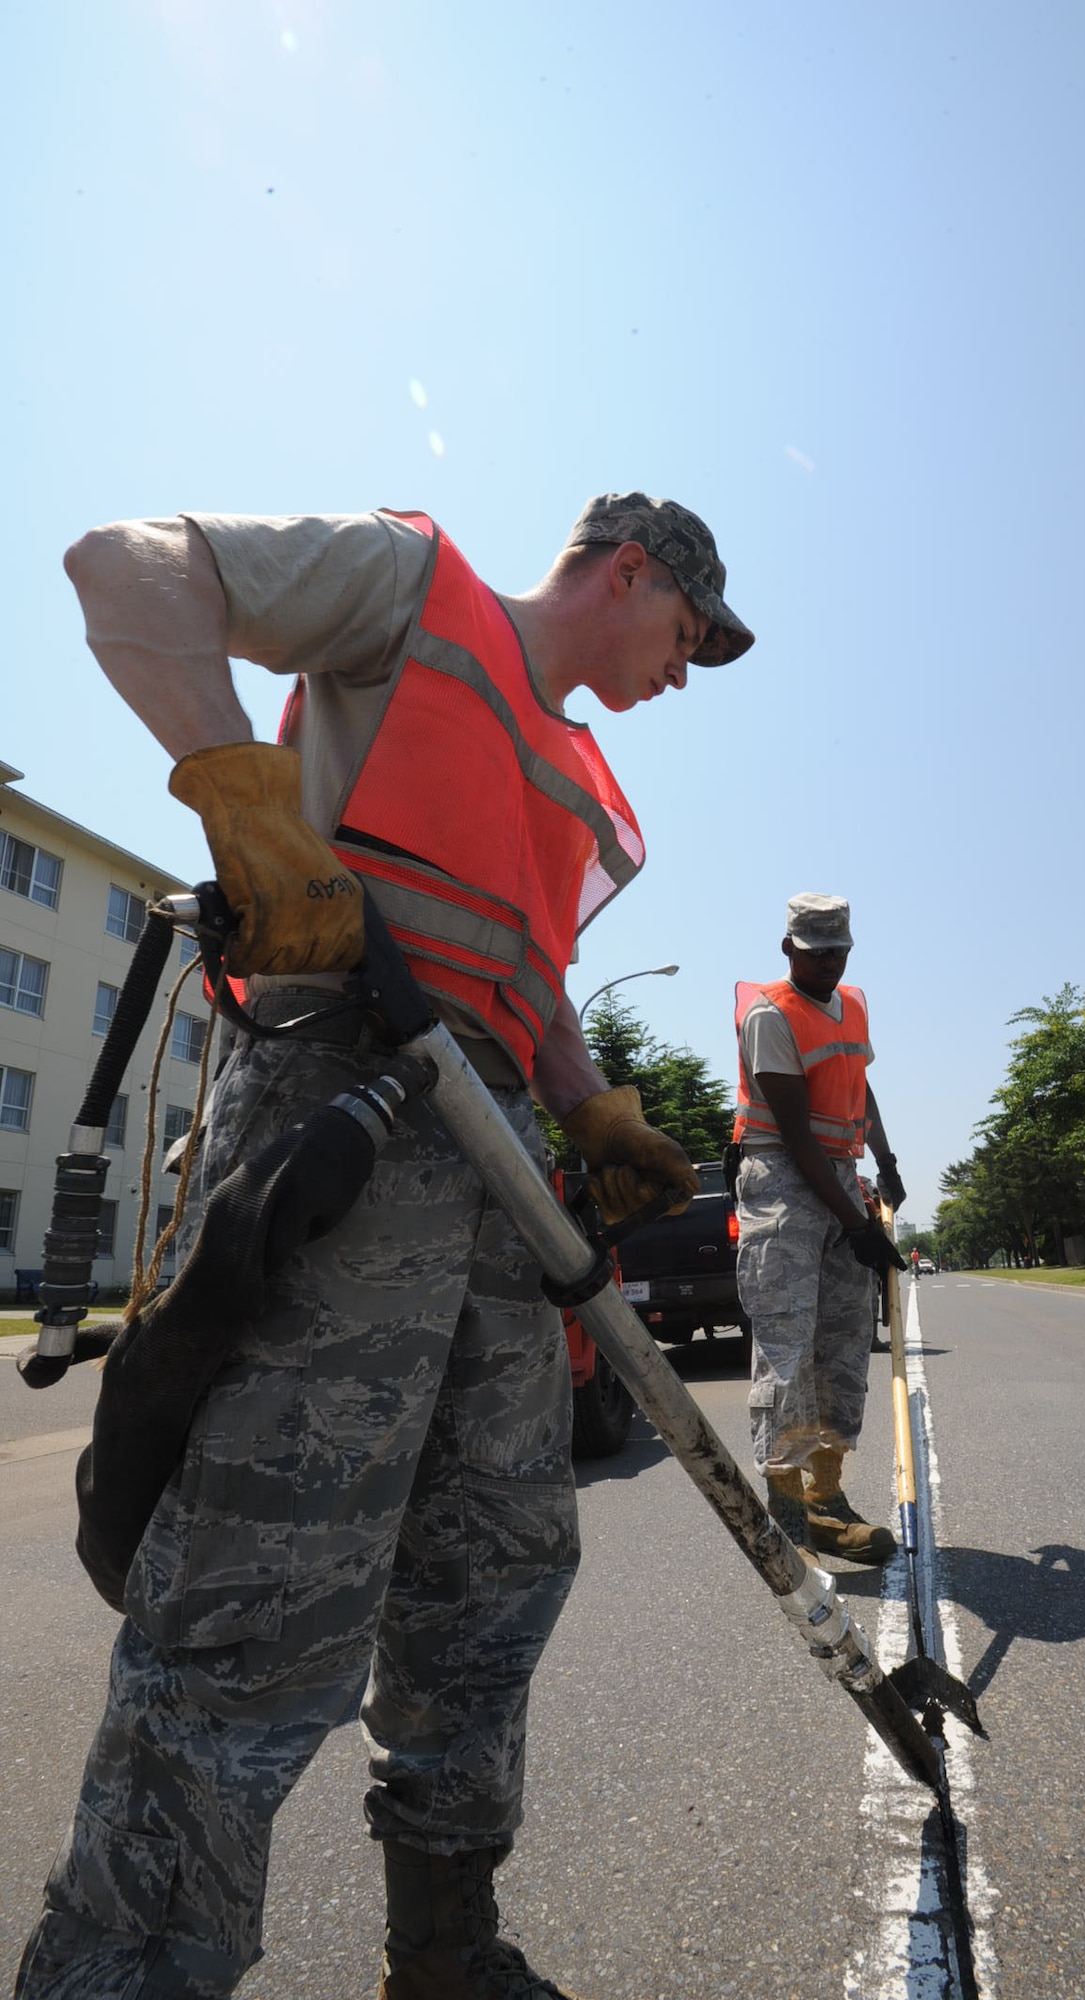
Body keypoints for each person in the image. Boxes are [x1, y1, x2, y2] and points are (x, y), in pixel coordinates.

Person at [16, 494, 753, 2000]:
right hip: (338, 1113)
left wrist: (591, 1106)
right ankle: (124, 1972)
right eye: (686, 637)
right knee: (259, 1591)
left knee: (496, 1563)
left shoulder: (566, 768)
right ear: (630, 573)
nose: (682, 676)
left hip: (490, 1159)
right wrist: (248, 800)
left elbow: (514, 972)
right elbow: (124, 571)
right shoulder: (414, 590)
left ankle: (445, 1950)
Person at [732, 894, 907, 1566]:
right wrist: (856, 1223)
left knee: (839, 1348)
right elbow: (797, 1133)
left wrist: (884, 1165)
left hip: (840, 1177)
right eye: (814, 951)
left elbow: (860, 1089)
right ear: (787, 949)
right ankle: (782, 1520)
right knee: (787, 1350)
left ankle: (826, 1507)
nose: (827, 963)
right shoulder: (769, 1014)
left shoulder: (852, 1005)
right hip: (781, 1179)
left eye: (837, 950)